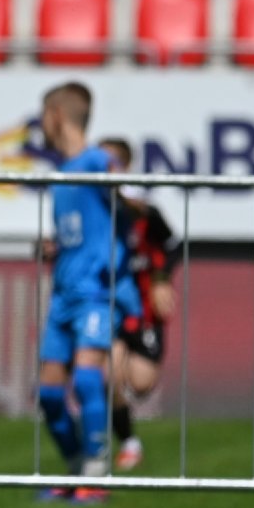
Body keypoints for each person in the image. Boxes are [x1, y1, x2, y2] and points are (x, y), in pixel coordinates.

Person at [35, 83, 139, 503]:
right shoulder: (61, 174)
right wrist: (54, 247)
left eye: (43, 115)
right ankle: (77, 467)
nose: (41, 124)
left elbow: (129, 196)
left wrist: (126, 195)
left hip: (96, 291)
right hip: (63, 294)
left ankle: (97, 473)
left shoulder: (97, 160)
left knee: (87, 377)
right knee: (49, 395)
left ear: (56, 116)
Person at [98, 138, 180, 471]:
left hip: (144, 309)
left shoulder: (143, 207)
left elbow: (171, 244)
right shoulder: (92, 204)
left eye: (111, 161)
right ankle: (128, 442)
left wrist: (161, 279)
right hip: (110, 305)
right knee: (107, 376)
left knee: (142, 384)